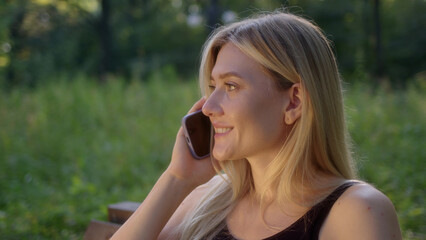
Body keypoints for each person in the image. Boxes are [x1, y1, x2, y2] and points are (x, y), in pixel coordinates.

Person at [111, 11, 402, 240]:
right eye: (213, 86)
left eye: (232, 86)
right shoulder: (208, 200)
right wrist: (177, 178)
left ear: (294, 102)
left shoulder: (355, 211)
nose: (209, 107)